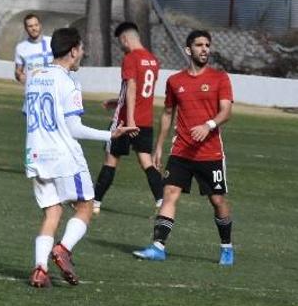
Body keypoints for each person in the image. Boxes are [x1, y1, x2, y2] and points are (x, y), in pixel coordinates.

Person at [24, 27, 135, 288]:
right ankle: (63, 249)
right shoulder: (69, 81)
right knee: (85, 206)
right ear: (73, 51)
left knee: (52, 212)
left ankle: (40, 269)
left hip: (35, 155)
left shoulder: (34, 75)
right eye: (82, 48)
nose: (83, 53)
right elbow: (73, 128)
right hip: (62, 156)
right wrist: (111, 135)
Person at [133, 30, 235, 265]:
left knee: (217, 201)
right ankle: (158, 246)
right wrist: (158, 146)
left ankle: (227, 247)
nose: (204, 49)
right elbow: (168, 113)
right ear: (189, 50)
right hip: (181, 151)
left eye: (207, 45)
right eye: (199, 45)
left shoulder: (220, 78)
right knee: (169, 194)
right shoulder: (175, 81)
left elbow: (226, 111)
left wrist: (209, 125)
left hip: (210, 153)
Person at [93, 22, 165, 214]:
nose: (121, 46)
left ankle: (95, 202)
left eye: (120, 42)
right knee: (146, 162)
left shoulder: (130, 58)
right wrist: (117, 101)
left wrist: (130, 120)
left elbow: (132, 88)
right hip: (145, 120)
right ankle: (161, 202)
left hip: (126, 121)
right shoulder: (153, 60)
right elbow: (141, 93)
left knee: (111, 160)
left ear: (125, 38)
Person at [13, 13, 53, 84]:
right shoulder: (21, 47)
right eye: (30, 26)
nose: (34, 28)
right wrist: (20, 76)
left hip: (52, 87)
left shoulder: (52, 42)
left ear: (40, 25)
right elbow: (18, 71)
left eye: (36, 25)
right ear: (25, 28)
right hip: (33, 90)